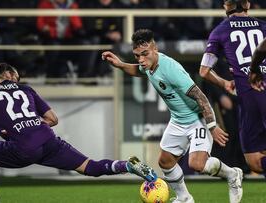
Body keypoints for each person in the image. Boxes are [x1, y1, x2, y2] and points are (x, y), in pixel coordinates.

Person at [0, 62, 157, 203]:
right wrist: (33, 125)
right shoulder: (25, 89)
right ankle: (128, 166)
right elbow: (53, 119)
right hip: (48, 141)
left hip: (23, 148)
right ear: (7, 75)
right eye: (15, 74)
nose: (17, 77)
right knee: (90, 167)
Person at [102, 29, 243, 203]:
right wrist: (120, 64)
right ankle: (184, 198)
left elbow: (201, 98)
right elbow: (139, 70)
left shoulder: (171, 69)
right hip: (178, 120)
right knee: (165, 161)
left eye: (144, 54)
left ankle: (232, 174)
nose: (141, 60)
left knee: (197, 165)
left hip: (197, 118)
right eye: (137, 55)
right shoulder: (148, 65)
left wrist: (212, 126)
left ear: (155, 48)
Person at [199, 0, 266, 177]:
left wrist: (225, 83)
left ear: (225, 7)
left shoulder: (220, 31)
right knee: (256, 162)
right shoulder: (263, 26)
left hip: (249, 97)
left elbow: (204, 71)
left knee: (254, 162)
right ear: (248, 5)